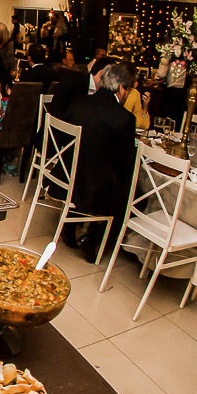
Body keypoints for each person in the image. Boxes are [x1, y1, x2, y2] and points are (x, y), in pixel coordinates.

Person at [63, 63, 138, 258]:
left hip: (66, 176)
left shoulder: (78, 103)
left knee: (92, 166)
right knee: (133, 188)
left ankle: (69, 229)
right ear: (122, 88)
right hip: (92, 188)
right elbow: (126, 162)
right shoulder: (124, 118)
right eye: (129, 89)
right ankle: (95, 239)